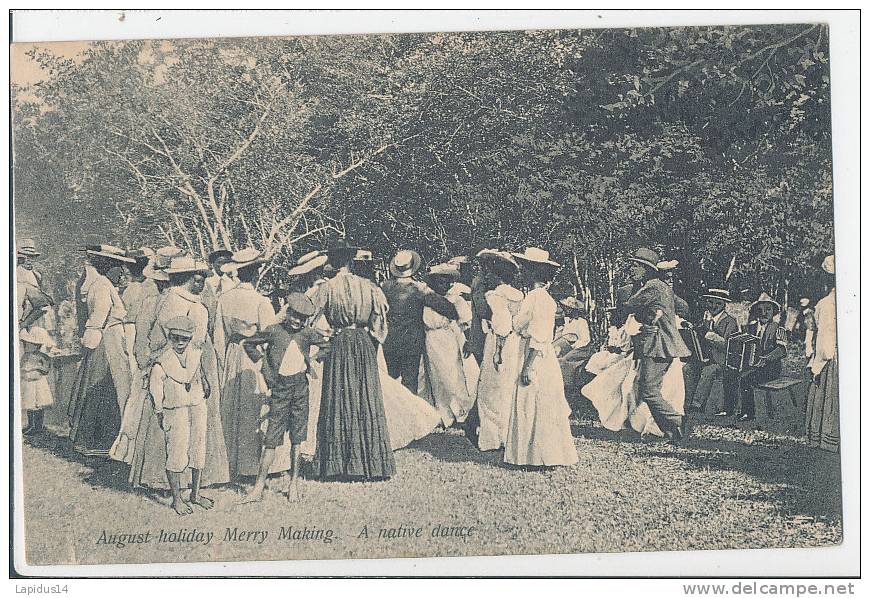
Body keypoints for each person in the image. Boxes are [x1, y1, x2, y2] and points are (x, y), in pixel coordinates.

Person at [128, 253, 230, 490]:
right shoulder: (172, 301)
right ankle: (166, 479)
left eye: (203, 278)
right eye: (198, 278)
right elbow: (168, 338)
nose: (202, 283)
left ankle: (197, 479)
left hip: (200, 363)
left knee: (199, 425)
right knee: (173, 423)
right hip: (178, 366)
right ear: (184, 278)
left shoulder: (195, 303)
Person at [311, 239, 394, 480]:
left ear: (332, 261)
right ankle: (371, 464)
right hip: (363, 342)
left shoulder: (326, 288)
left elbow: (309, 319)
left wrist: (325, 337)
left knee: (339, 397)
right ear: (350, 260)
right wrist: (372, 342)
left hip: (340, 343)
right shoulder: (369, 287)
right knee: (365, 396)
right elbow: (381, 322)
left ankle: (339, 465)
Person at [239, 293, 328, 502]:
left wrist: (314, 360)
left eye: (302, 318)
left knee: (297, 437)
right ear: (287, 313)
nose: (297, 321)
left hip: (300, 390)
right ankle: (258, 487)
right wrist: (263, 362)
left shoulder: (307, 334)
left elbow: (326, 345)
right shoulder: (273, 331)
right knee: (271, 438)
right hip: (279, 390)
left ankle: (293, 484)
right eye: (294, 316)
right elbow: (249, 344)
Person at [504, 248, 578, 467]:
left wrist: (528, 367)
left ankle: (540, 456)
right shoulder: (535, 297)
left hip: (536, 357)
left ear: (534, 271)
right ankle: (530, 455)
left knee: (535, 401)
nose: (521, 271)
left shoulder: (539, 299)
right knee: (534, 403)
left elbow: (539, 335)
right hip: (530, 352)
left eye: (525, 267)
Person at [213, 248, 282, 480]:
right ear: (255, 273)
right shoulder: (261, 301)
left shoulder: (224, 299)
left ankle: (230, 463)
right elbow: (272, 337)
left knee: (232, 406)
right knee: (254, 407)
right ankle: (252, 465)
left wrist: (224, 363)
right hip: (254, 355)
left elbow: (218, 338)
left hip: (233, 354)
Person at [67, 244, 136, 456]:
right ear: (107, 265)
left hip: (106, 340)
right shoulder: (102, 285)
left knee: (103, 389)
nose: (122, 272)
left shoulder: (101, 284)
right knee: (105, 389)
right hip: (106, 343)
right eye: (118, 266)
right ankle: (98, 441)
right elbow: (98, 317)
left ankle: (94, 440)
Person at [622, 248, 691, 444]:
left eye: (636, 265)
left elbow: (630, 304)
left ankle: (678, 421)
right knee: (648, 389)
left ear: (647, 269)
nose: (632, 269)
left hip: (659, 345)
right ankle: (672, 434)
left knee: (648, 391)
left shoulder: (653, 286)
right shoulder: (658, 286)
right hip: (657, 344)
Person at [149, 315, 214, 515]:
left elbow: (201, 377)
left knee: (198, 449)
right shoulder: (161, 362)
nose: (179, 343)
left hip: (196, 406)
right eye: (175, 338)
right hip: (175, 410)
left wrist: (204, 387)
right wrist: (160, 412)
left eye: (184, 339)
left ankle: (195, 494)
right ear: (169, 337)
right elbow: (155, 391)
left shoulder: (196, 354)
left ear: (190, 338)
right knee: (176, 453)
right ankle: (177, 499)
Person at [381, 249, 458, 393]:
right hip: (411, 342)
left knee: (391, 381)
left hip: (389, 341)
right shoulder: (418, 288)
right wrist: (454, 312)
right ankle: (408, 414)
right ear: (412, 268)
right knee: (409, 383)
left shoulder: (385, 287)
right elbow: (445, 307)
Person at [475, 250, 524, 451]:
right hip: (515, 343)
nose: (487, 276)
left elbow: (502, 325)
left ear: (498, 273)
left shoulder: (496, 295)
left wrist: (497, 351)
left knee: (492, 389)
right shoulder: (518, 294)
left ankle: (494, 438)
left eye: (490, 271)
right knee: (507, 388)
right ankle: (508, 434)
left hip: (500, 342)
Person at [417, 263, 475, 427]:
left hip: (448, 339)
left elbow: (465, 321)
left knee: (452, 375)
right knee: (435, 377)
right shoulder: (427, 298)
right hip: (430, 339)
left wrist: (467, 342)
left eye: (448, 281)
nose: (446, 285)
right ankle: (444, 414)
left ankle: (460, 411)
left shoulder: (455, 299)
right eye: (441, 281)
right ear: (434, 282)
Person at [720, 292, 787, 422]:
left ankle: (748, 413)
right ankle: (728, 409)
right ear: (756, 312)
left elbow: (782, 350)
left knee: (746, 379)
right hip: (749, 364)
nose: (764, 313)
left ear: (773, 312)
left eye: (768, 309)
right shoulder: (749, 328)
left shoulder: (779, 328)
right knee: (729, 374)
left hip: (770, 368)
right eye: (760, 310)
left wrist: (766, 358)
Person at [806, 255, 838, 452]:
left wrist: (817, 364)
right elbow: (824, 338)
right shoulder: (828, 304)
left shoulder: (827, 304)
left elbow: (825, 342)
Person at [690, 288, 740, 414]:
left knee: (709, 371)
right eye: (711, 302)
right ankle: (686, 401)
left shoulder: (730, 321)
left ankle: (697, 404)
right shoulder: (706, 319)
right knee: (687, 368)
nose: (713, 306)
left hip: (722, 359)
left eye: (718, 303)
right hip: (705, 357)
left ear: (724, 305)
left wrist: (711, 336)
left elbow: (729, 345)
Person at [20, 327, 55, 436]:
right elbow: (21, 367)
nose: (26, 346)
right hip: (29, 384)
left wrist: (36, 370)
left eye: (29, 344)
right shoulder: (25, 356)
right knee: (30, 405)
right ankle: (31, 425)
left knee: (39, 405)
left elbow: (46, 368)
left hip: (39, 384)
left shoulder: (42, 357)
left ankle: (38, 427)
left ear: (36, 345)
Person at [201, 248, 237, 338]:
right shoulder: (206, 281)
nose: (223, 266)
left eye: (226, 263)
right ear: (212, 264)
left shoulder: (232, 282)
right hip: (209, 319)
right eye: (219, 262)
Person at [796, 297, 817, 365]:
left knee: (808, 341)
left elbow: (810, 321)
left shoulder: (808, 311)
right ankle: (809, 354)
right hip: (809, 328)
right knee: (808, 341)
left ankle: (809, 355)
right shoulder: (809, 311)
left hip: (810, 328)